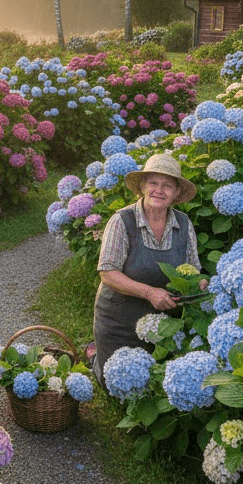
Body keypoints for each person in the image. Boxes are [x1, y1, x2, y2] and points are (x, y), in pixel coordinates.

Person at [91, 153, 202, 383]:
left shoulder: (183, 223)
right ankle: (95, 356)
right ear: (142, 186)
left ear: (177, 193)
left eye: (167, 186)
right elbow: (107, 273)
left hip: (164, 325)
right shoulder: (122, 221)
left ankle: (94, 354)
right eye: (153, 183)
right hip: (120, 322)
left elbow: (193, 269)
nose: (159, 190)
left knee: (161, 385)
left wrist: (200, 285)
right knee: (120, 387)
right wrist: (150, 292)